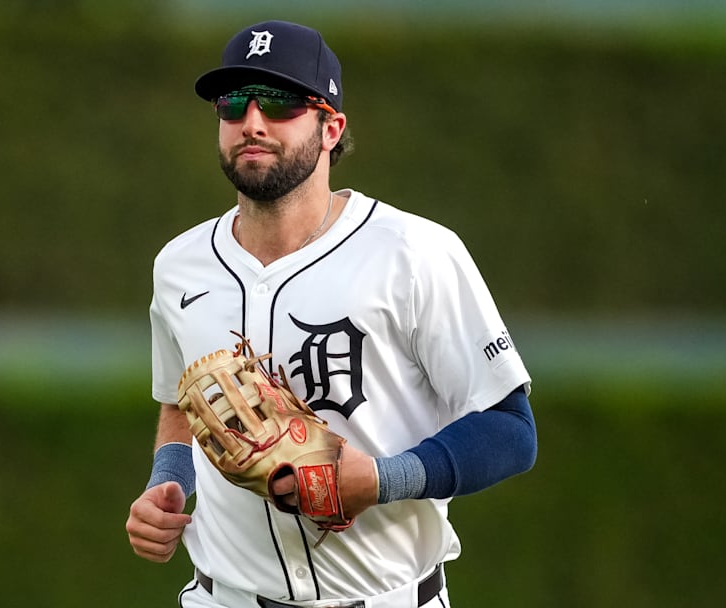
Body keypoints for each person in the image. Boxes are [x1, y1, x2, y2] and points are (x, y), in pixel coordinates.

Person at [126, 20, 537, 608]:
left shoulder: (415, 252)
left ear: (331, 127)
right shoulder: (179, 266)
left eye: (281, 102)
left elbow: (511, 431)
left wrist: (383, 479)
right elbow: (180, 400)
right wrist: (167, 484)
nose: (253, 122)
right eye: (233, 103)